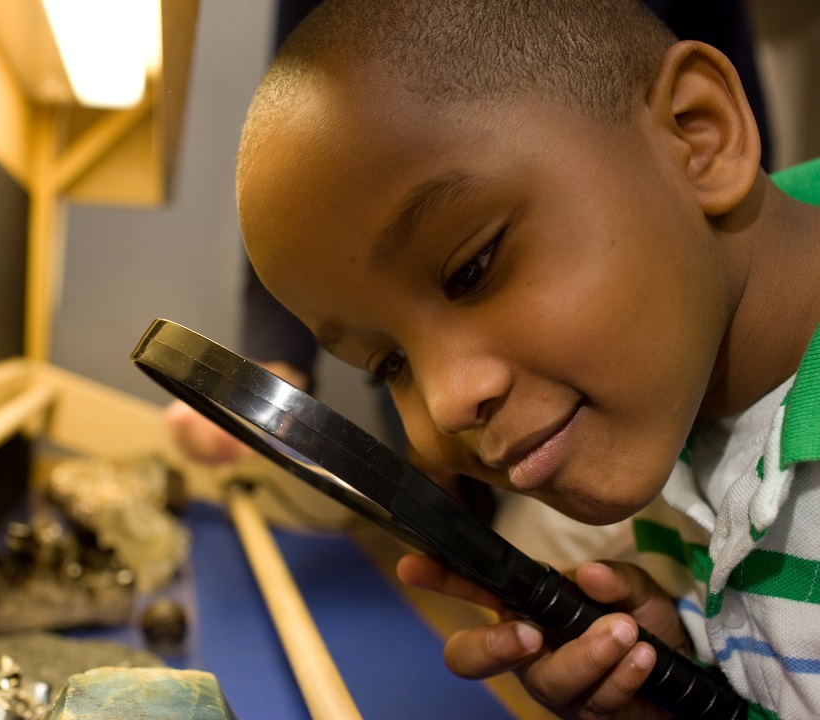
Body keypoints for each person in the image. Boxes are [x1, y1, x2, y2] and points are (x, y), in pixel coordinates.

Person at [233, 0, 820, 717]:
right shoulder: (676, 401)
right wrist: (692, 681)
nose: (447, 404)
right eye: (389, 364)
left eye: (472, 268)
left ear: (699, 135)